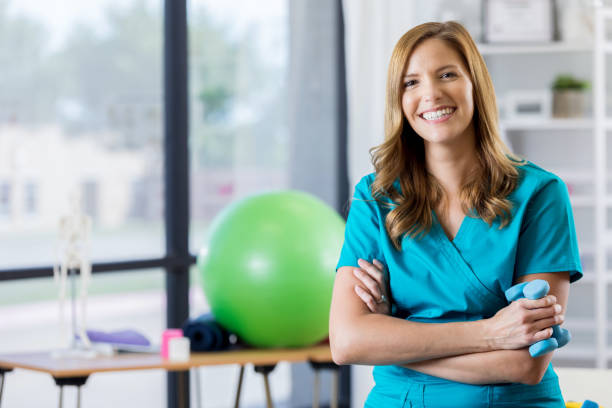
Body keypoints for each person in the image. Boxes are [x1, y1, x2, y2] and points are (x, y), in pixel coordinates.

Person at [329, 21, 582, 408]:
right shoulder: (374, 198)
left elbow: (525, 364)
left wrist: (394, 337)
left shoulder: (539, 194)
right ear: (398, 100)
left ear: (475, 85)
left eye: (447, 74)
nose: (430, 93)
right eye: (410, 83)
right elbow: (347, 342)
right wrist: (492, 333)